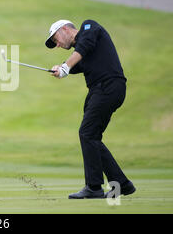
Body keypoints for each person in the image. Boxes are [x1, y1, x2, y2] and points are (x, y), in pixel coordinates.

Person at [45, 19, 136, 199]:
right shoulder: (81, 53)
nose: (57, 45)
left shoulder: (89, 27)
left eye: (56, 39)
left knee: (87, 133)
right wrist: (61, 68)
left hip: (109, 87)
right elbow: (76, 62)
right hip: (100, 91)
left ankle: (94, 187)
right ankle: (122, 184)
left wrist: (65, 66)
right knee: (91, 137)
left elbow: (83, 48)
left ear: (65, 29)